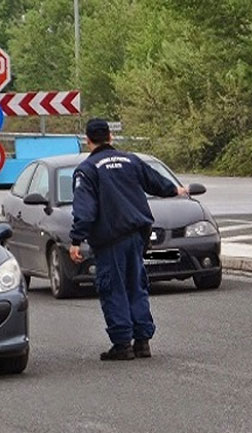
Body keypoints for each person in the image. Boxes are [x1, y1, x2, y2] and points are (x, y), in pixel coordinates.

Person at [69, 118, 187, 361]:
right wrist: (175, 189)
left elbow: (85, 209)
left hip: (110, 239)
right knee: (136, 285)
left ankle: (122, 343)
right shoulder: (130, 160)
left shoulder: (87, 170)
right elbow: (155, 182)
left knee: (113, 288)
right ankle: (142, 341)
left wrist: (76, 239)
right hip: (137, 236)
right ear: (110, 137)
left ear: (87, 140)